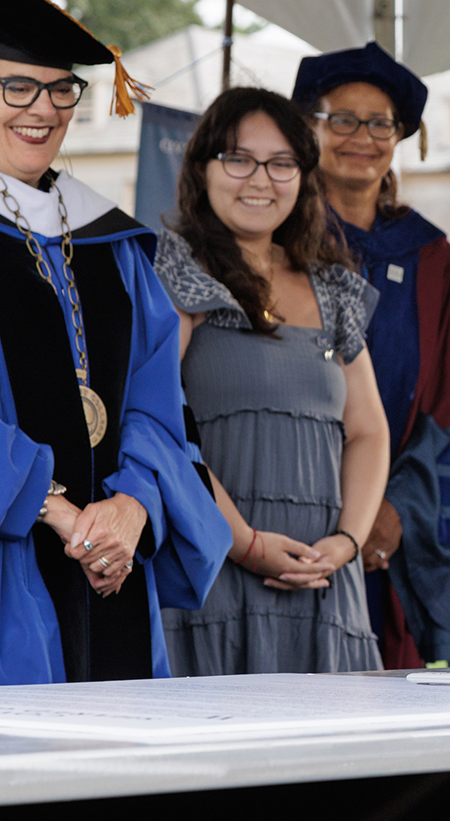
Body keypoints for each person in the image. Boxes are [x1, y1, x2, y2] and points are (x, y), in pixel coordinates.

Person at [0, 0, 230, 689]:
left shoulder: (114, 244)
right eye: (17, 87)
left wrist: (132, 508)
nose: (42, 110)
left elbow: (159, 413)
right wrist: (65, 516)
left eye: (60, 89)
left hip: (109, 576)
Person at [157, 87, 388, 675]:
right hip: (217, 569)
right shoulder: (176, 271)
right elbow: (156, 424)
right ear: (203, 168)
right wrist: (246, 543)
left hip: (322, 579)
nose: (260, 179)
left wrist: (347, 543)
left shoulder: (332, 286)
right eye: (238, 158)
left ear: (302, 177)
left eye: (281, 162)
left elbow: (367, 431)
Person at [292, 44, 450, 667]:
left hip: (394, 535)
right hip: (293, 509)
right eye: (341, 119)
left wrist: (393, 510)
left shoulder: (431, 258)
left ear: (400, 138)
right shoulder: (277, 244)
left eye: (380, 124)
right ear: (311, 127)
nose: (361, 138)